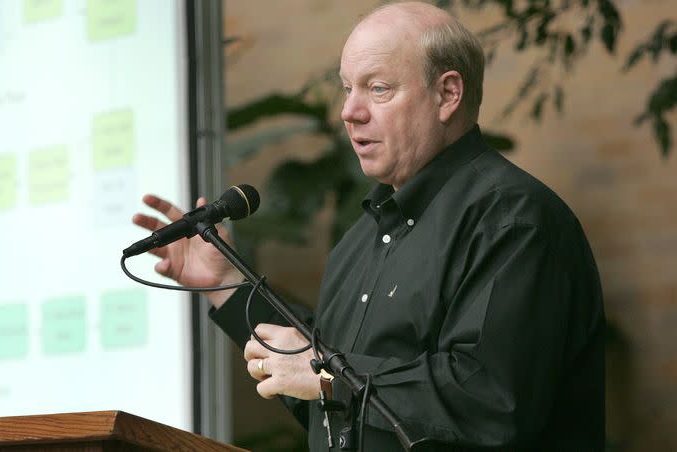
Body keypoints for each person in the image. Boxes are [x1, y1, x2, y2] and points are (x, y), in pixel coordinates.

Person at [133, 2, 605, 450]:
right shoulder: (361, 238)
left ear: (447, 94)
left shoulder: (513, 220)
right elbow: (334, 409)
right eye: (347, 88)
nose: (349, 111)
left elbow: (493, 399)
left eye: (377, 89)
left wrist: (328, 376)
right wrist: (226, 287)